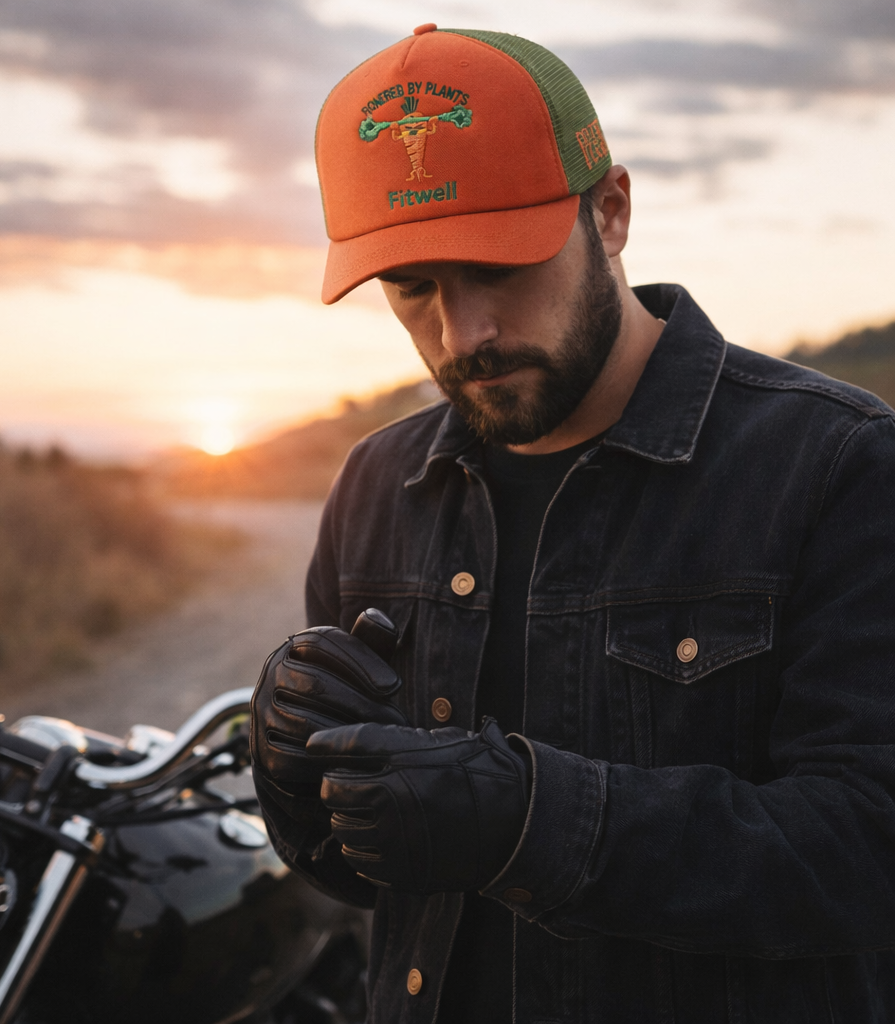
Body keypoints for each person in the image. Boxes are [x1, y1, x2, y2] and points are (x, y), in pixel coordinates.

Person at [250, 24, 895, 1024]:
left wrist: (524, 820)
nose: (461, 335)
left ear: (612, 211)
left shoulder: (835, 464)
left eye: (496, 265)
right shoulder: (378, 484)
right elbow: (368, 882)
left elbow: (866, 848)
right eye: (412, 287)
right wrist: (298, 775)